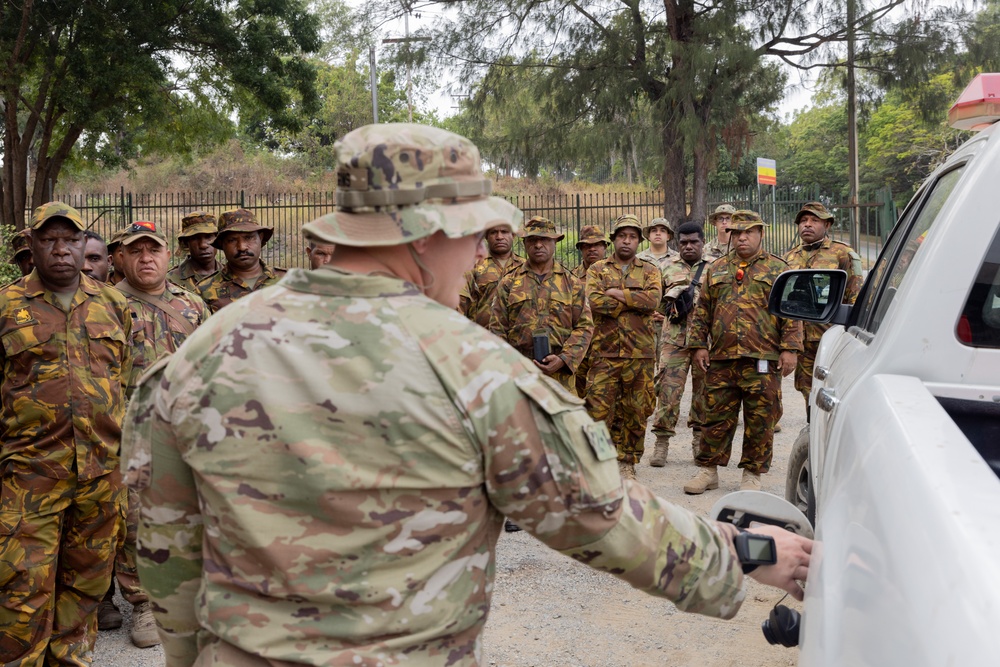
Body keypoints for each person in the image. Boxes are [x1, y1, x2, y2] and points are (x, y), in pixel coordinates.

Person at [122, 123, 812, 667]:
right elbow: (608, 522)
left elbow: (167, 554)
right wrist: (753, 554)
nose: (482, 255)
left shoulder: (202, 354)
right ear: (429, 232)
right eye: (476, 235)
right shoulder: (475, 371)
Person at [0, 202, 132, 664]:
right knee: (21, 587)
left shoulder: (113, 305)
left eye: (71, 240)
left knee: (86, 584)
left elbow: (124, 381)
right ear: (32, 245)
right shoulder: (6, 305)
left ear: (84, 247)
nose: (61, 250)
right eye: (50, 240)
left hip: (100, 474)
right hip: (29, 474)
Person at [102, 221, 211, 647]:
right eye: (136, 251)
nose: (146, 258)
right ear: (120, 258)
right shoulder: (106, 305)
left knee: (190, 511)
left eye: (154, 250)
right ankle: (144, 604)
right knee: (133, 521)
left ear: (168, 256)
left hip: (184, 428)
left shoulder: (193, 305)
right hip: (129, 430)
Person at [685, 211, 803, 495]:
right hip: (723, 358)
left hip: (762, 357)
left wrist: (790, 350)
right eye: (737, 232)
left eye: (748, 231)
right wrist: (699, 345)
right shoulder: (717, 269)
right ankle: (708, 471)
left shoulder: (778, 269)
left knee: (760, 418)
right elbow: (702, 312)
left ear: (760, 233)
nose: (742, 237)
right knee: (714, 416)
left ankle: (752, 473)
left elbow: (791, 313)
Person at [584, 213, 662, 480]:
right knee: (598, 409)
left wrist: (617, 294)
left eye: (632, 237)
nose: (626, 241)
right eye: (621, 236)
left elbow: (653, 301)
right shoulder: (596, 270)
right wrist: (633, 300)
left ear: (639, 241)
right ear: (613, 239)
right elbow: (594, 301)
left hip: (640, 354)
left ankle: (627, 462)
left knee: (636, 410)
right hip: (604, 353)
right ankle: (598, 463)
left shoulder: (651, 270)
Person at [490, 215, 593, 393]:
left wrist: (563, 359)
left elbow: (584, 327)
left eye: (544, 239)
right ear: (524, 244)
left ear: (555, 242)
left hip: (561, 376)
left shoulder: (572, 283)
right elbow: (497, 329)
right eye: (533, 240)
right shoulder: (509, 283)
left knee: (561, 420)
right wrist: (513, 364)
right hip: (520, 374)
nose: (538, 245)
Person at [783, 202, 864, 411]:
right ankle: (813, 432)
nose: (807, 225)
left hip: (830, 338)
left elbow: (854, 297)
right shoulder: (789, 257)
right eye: (803, 220)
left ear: (826, 225)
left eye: (814, 220)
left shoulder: (843, 254)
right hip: (800, 340)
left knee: (833, 390)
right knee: (806, 389)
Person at [649, 222, 709, 466]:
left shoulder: (714, 269)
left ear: (703, 242)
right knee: (667, 392)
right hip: (673, 340)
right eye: (683, 242)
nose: (688, 246)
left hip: (705, 342)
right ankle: (661, 444)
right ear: (677, 243)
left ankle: (699, 441)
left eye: (694, 241)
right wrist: (666, 311)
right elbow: (653, 302)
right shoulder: (664, 267)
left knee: (703, 393)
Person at [196, 208, 286, 312]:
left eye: (248, 238)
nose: (242, 247)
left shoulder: (289, 282)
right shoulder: (204, 290)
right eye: (232, 240)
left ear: (260, 238)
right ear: (222, 244)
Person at [458, 222, 524, 327]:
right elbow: (460, 304)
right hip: (484, 337)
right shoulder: (473, 266)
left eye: (504, 232)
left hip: (516, 339)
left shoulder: (524, 267)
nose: (499, 237)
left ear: (513, 235)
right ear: (486, 236)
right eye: (494, 232)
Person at [571, 225, 609, 396]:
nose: (592, 249)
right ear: (580, 249)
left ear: (605, 247)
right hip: (581, 349)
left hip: (609, 347)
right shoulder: (570, 278)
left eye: (597, 245)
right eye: (587, 245)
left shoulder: (616, 276)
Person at [167, 211, 220, 290]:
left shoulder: (232, 275)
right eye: (195, 238)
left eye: (209, 236)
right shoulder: (170, 280)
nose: (203, 245)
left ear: (217, 239)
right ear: (186, 243)